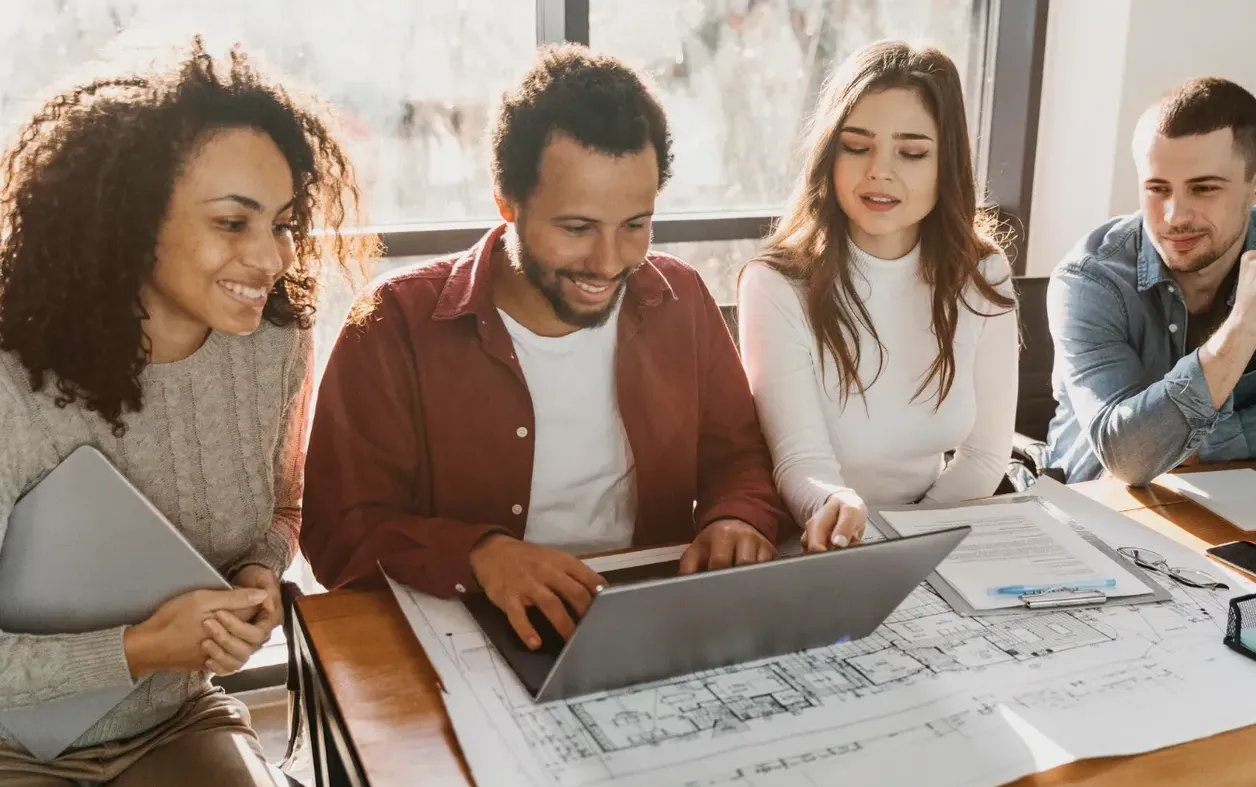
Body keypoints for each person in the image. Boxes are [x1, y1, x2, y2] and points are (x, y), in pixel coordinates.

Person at [300, 44, 792, 651]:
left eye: (635, 224)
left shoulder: (680, 298)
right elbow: (339, 533)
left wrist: (735, 517)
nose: (610, 262)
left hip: (647, 617)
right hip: (467, 631)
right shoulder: (393, 325)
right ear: (506, 202)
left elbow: (739, 456)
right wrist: (480, 555)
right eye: (577, 228)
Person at [0, 38, 372, 786]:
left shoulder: (274, 342)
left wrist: (259, 574)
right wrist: (140, 646)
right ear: (129, 218)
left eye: (285, 223)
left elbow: (285, 509)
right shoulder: (14, 380)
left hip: (174, 720)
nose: (271, 259)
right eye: (233, 223)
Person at [738, 40, 1018, 552]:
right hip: (813, 539)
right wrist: (841, 518)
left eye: (911, 152)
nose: (879, 172)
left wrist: (904, 544)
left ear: (946, 163)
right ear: (829, 153)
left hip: (933, 533)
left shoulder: (983, 273)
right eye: (857, 146)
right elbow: (799, 462)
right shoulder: (777, 283)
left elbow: (985, 456)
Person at [1045, 77, 1256, 485]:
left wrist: (1182, 439)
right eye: (1157, 189)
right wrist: (1242, 329)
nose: (1175, 216)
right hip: (1090, 508)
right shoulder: (1089, 280)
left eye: (1204, 188)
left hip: (1220, 499)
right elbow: (1128, 458)